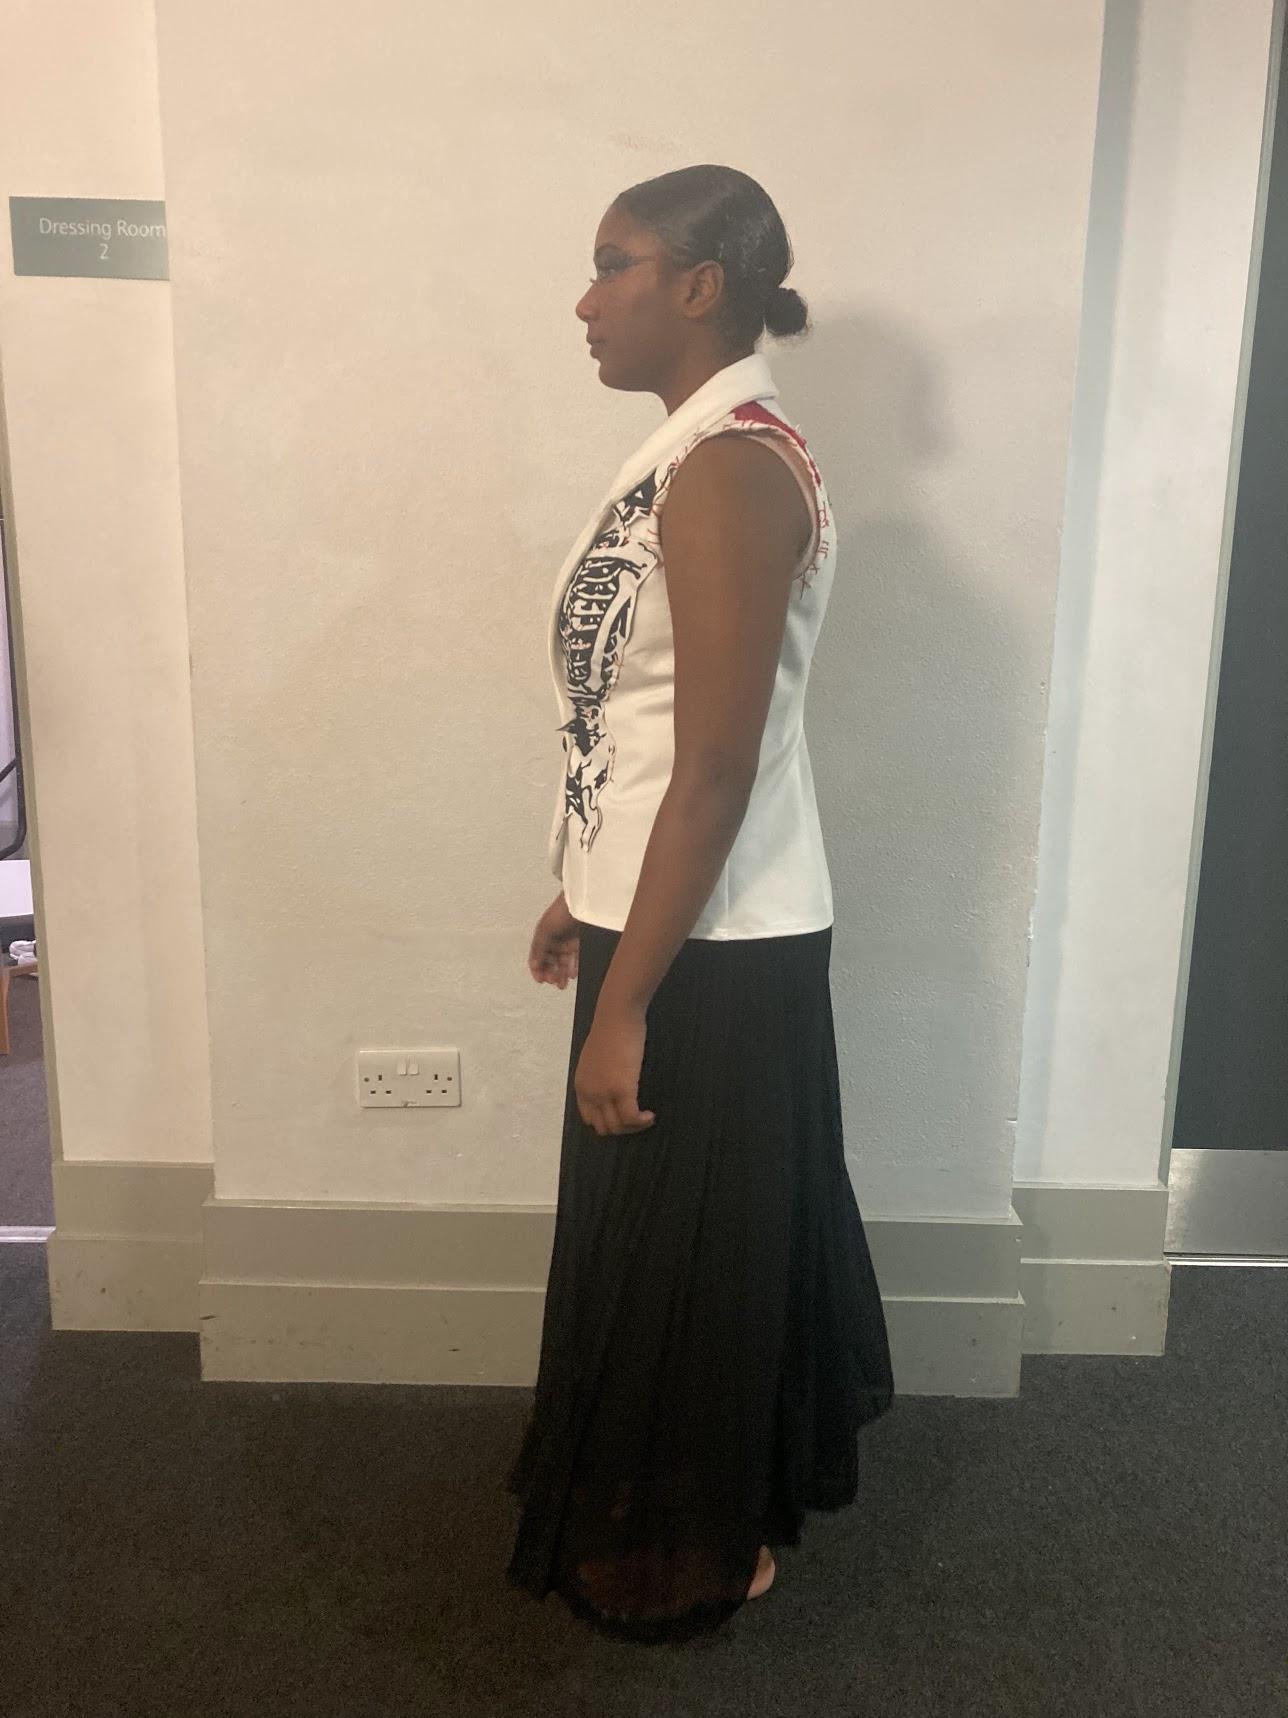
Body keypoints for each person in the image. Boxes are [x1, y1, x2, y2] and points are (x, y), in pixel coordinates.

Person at [506, 164, 894, 1646]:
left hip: (715, 949)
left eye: (613, 263)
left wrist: (627, 1004)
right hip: (669, 916)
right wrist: (582, 884)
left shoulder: (731, 468)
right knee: (669, 1243)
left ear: (699, 284)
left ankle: (706, 1541)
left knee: (689, 1256)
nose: (585, 299)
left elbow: (719, 763)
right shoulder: (690, 452)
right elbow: (642, 721)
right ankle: (697, 1510)